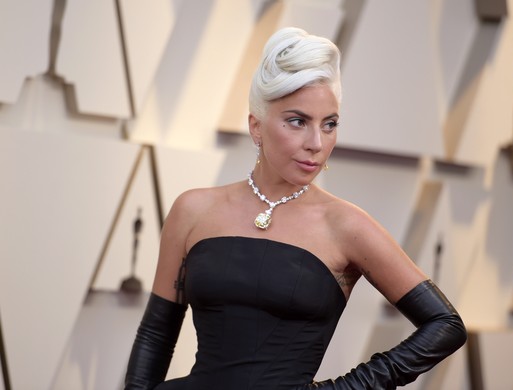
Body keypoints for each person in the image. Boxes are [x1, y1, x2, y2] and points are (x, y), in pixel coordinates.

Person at [124, 27, 467, 390]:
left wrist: (347, 388)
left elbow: (445, 325)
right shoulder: (192, 210)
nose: (316, 143)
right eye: (298, 121)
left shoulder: (346, 225)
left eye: (329, 124)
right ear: (256, 126)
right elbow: (155, 334)